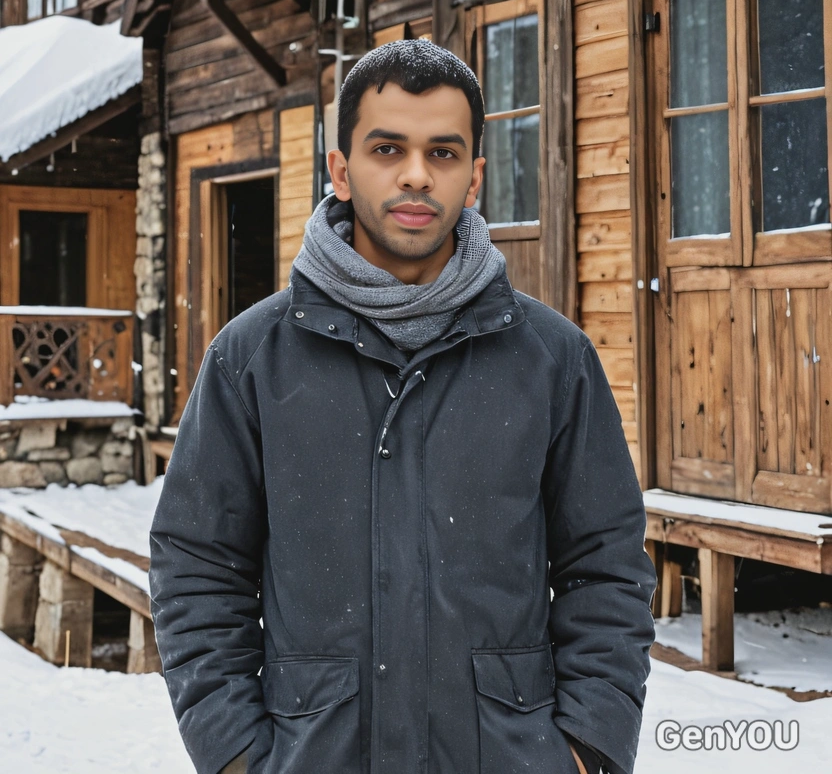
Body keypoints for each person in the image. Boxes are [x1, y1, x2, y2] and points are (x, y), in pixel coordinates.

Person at [150, 40, 656, 774]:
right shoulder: (251, 360)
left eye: (443, 153)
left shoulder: (551, 359)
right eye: (388, 148)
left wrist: (585, 749)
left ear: (475, 176)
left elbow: (606, 566)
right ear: (341, 169)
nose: (417, 175)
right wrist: (233, 756)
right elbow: (198, 567)